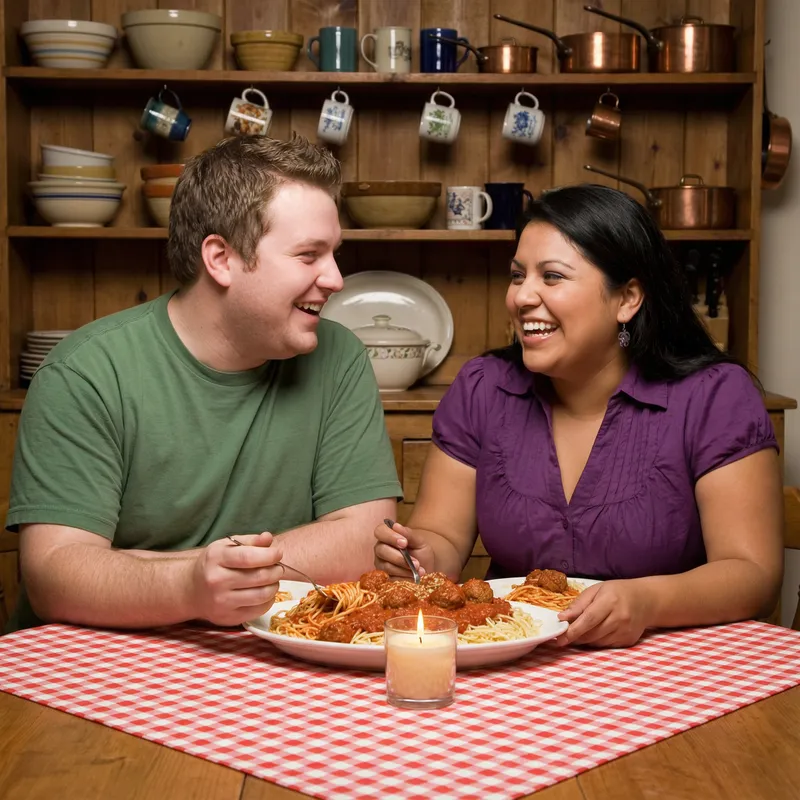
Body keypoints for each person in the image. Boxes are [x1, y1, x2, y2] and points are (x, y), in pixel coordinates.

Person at [6, 135, 401, 632]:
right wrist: (190, 583)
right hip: (95, 664)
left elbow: (366, 538)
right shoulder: (86, 373)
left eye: (334, 254)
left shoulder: (339, 356)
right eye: (309, 255)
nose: (337, 279)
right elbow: (53, 576)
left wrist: (162, 570)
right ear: (221, 259)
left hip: (265, 658)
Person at [375, 183, 783, 649]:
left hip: (672, 669)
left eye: (552, 276)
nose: (522, 297)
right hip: (516, 663)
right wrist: (425, 556)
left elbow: (753, 574)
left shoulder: (715, 397)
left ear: (627, 299)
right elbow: (443, 534)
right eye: (516, 275)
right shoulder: (483, 388)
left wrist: (648, 601)